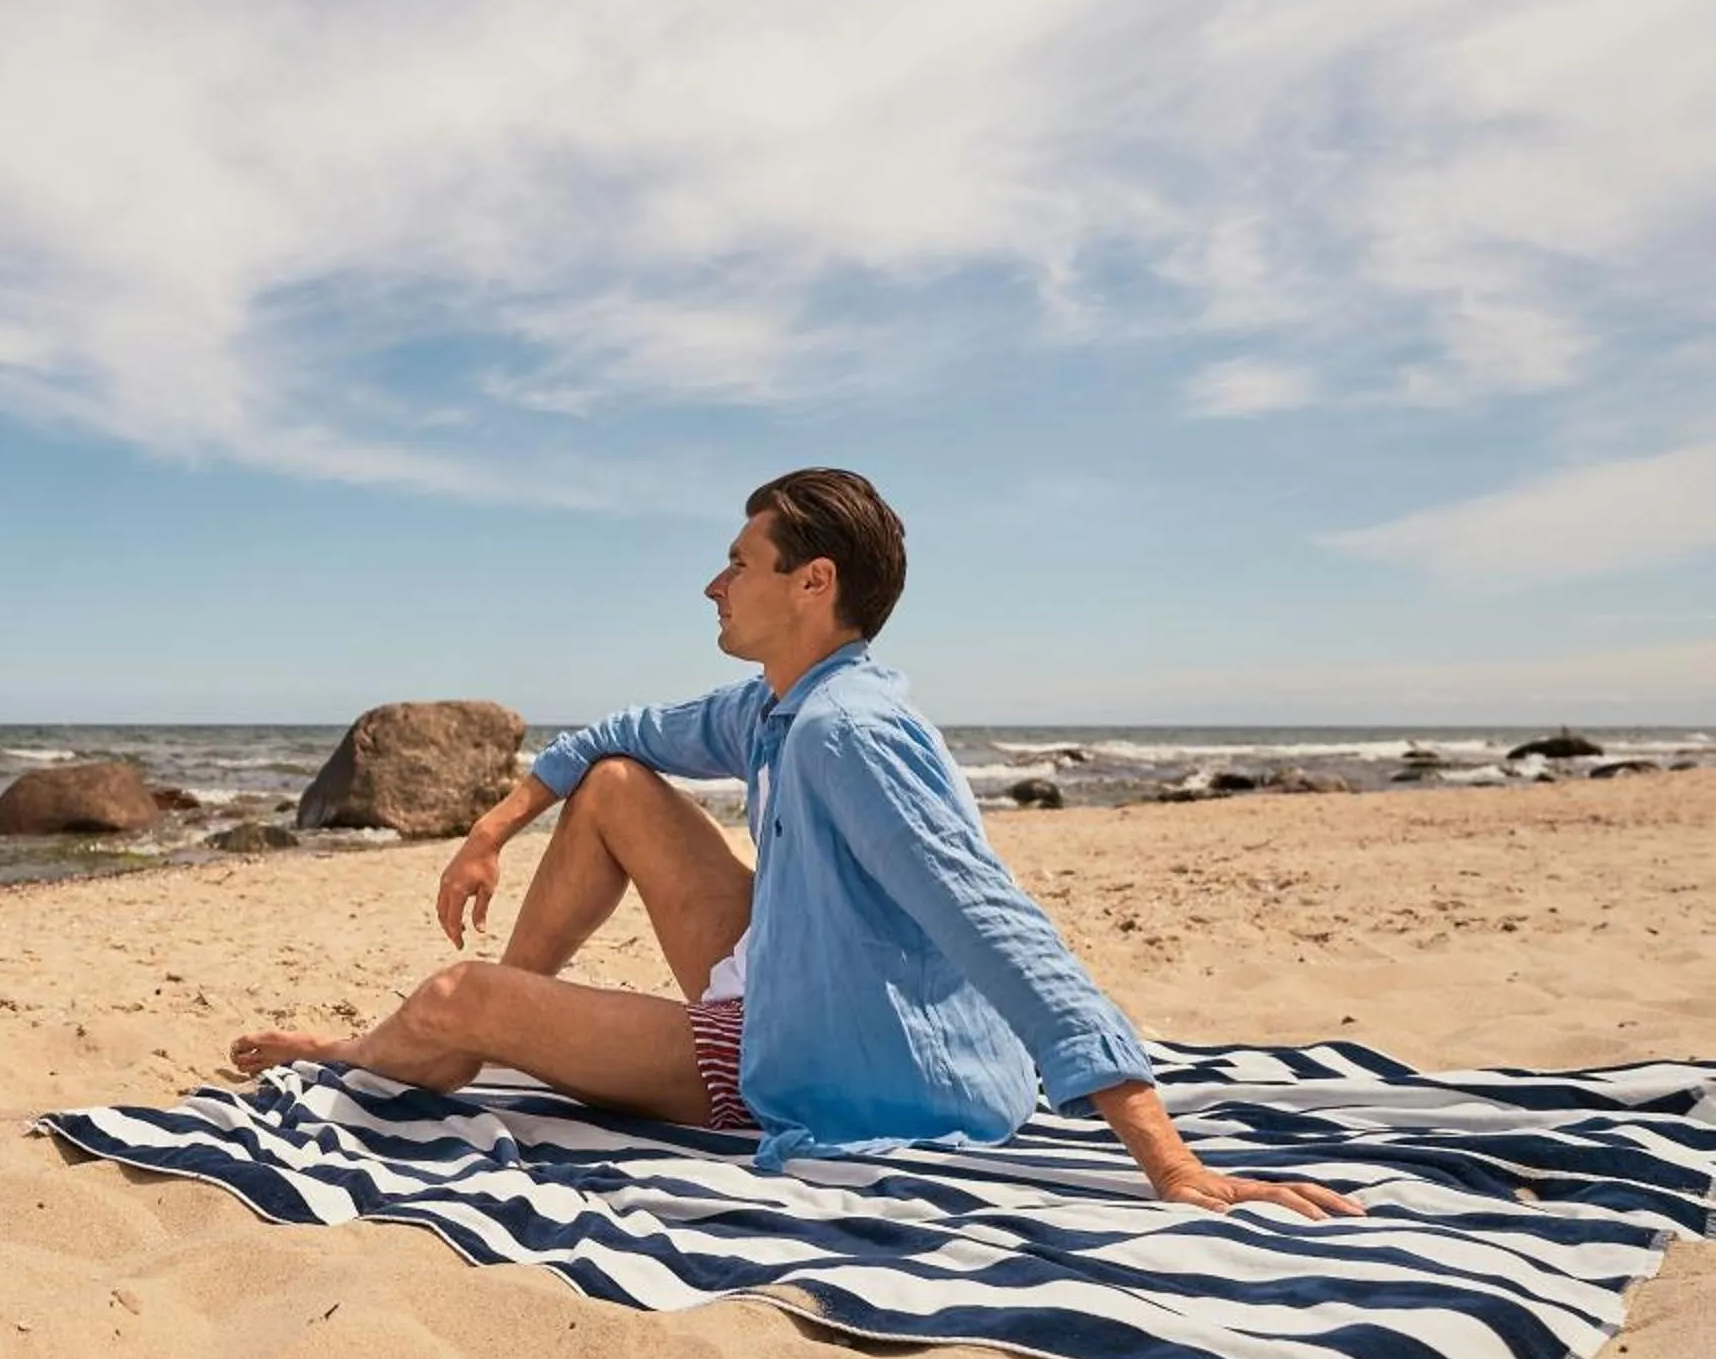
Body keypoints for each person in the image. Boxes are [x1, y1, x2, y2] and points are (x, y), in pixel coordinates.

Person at [232, 468, 1361, 1218]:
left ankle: (433, 1038)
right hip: (793, 984)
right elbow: (621, 738)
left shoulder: (847, 734)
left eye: (739, 562)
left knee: (448, 1001)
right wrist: (489, 828)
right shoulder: (777, 704)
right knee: (620, 784)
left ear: (812, 583)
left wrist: (1166, 1158)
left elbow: (995, 922)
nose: (713, 582)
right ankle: (518, 1019)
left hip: (831, 1069)